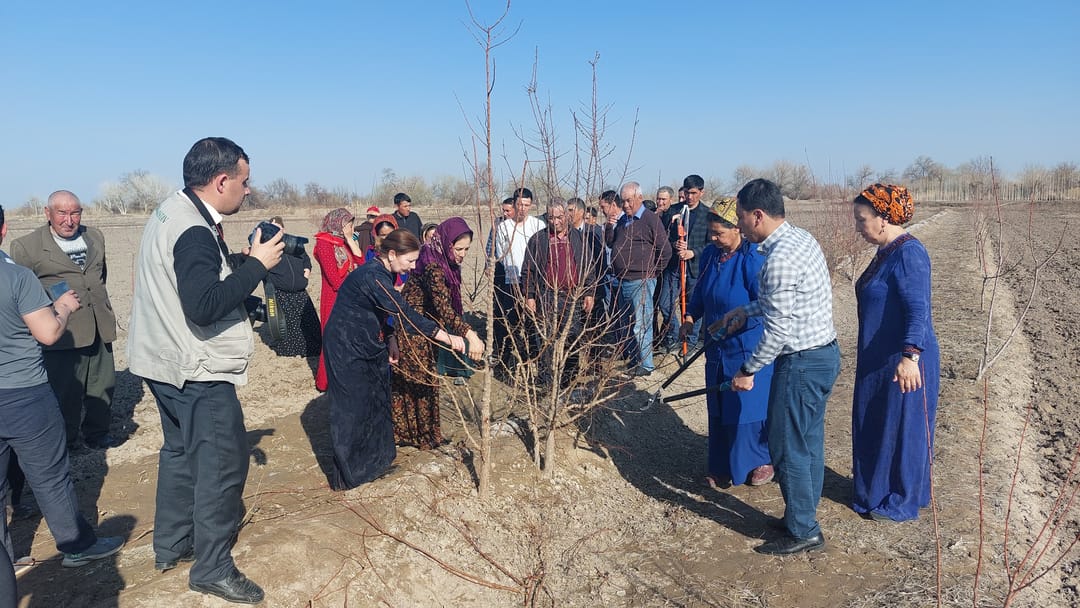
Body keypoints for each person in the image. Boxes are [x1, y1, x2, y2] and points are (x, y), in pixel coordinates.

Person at [128, 137, 281, 603]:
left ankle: (172, 545)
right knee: (220, 466)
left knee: (179, 453)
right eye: (244, 182)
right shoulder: (194, 230)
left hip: (163, 361)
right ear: (221, 181)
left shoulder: (172, 211)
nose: (248, 191)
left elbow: (193, 281)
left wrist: (237, 265)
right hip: (196, 369)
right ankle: (212, 568)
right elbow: (203, 305)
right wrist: (256, 266)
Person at [1, 204, 125, 587]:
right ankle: (77, 547)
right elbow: (48, 333)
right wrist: (63, 308)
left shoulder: (93, 240)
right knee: (51, 477)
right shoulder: (17, 276)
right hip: (23, 394)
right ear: (3, 229)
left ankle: (5, 564)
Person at [720, 178, 839, 556]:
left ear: (757, 215)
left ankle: (804, 530)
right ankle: (801, 515)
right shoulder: (800, 239)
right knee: (808, 442)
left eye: (740, 217)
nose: (738, 225)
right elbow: (784, 301)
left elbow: (777, 331)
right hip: (822, 356)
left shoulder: (779, 260)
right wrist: (746, 309)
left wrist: (748, 370)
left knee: (787, 447)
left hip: (801, 363)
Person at [322, 229, 465, 489]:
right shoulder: (371, 276)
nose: (412, 267)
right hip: (345, 347)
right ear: (391, 254)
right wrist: (446, 337)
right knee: (352, 409)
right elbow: (404, 313)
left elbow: (383, 312)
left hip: (367, 342)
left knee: (376, 401)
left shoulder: (385, 273)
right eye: (409, 261)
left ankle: (376, 464)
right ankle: (349, 477)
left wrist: (390, 338)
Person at [851, 184, 939, 522]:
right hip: (880, 357)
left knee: (904, 427)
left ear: (883, 218)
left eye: (862, 220)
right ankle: (877, 491)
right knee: (880, 423)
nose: (858, 227)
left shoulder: (909, 253)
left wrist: (910, 356)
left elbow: (918, 309)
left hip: (903, 360)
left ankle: (901, 499)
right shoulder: (885, 251)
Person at [10, 190, 119, 450]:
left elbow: (100, 276)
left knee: (103, 384)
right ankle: (66, 440)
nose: (69, 220)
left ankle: (98, 433)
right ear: (47, 213)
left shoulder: (95, 236)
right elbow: (22, 290)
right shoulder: (26, 246)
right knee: (65, 390)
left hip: (99, 325)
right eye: (62, 213)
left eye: (75, 213)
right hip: (62, 331)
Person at [680, 200, 774, 488]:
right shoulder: (711, 255)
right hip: (716, 343)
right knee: (719, 403)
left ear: (737, 229)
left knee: (745, 406)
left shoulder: (752, 258)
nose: (713, 238)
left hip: (746, 344)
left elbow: (767, 304)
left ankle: (759, 461)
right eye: (711, 232)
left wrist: (743, 320)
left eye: (719, 233)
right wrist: (690, 316)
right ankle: (721, 466)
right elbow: (700, 291)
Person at [391, 218, 485, 449]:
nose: (462, 255)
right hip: (413, 329)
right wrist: (470, 335)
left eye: (466, 249)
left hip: (426, 327)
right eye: (458, 249)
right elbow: (444, 307)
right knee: (419, 382)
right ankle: (419, 436)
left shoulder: (441, 258)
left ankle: (421, 434)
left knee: (424, 380)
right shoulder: (433, 266)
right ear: (446, 243)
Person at [521, 200, 604, 387]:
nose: (556, 221)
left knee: (572, 337)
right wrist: (530, 296)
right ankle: (546, 380)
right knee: (545, 338)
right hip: (547, 295)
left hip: (572, 296)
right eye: (551, 218)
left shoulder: (579, 238)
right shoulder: (538, 239)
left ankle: (569, 379)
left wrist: (589, 292)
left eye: (559, 217)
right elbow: (528, 271)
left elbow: (588, 267)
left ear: (567, 215)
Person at [606, 181, 671, 377]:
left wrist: (652, 272)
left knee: (641, 324)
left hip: (641, 279)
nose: (625, 205)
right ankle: (635, 359)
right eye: (623, 201)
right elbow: (611, 242)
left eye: (629, 200)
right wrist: (609, 226)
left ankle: (646, 364)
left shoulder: (650, 219)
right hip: (622, 279)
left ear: (640, 198)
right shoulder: (623, 221)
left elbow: (665, 251)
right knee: (627, 323)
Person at [493, 188, 545, 373]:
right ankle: (506, 361)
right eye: (520, 204)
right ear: (514, 204)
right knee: (511, 324)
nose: (523, 208)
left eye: (527, 205)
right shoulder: (504, 227)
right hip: (512, 283)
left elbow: (542, 255)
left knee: (533, 326)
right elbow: (501, 255)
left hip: (533, 285)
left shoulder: (538, 226)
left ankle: (535, 362)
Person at [313, 208, 365, 392]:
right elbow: (334, 278)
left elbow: (361, 263)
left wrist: (350, 240)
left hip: (349, 297)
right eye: (349, 225)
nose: (352, 228)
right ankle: (325, 381)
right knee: (333, 338)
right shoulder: (324, 243)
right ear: (338, 224)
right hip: (334, 298)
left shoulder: (343, 243)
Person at [658, 175, 710, 353]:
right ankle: (674, 336)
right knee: (665, 303)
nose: (690, 196)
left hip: (695, 269)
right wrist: (674, 244)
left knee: (693, 307)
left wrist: (693, 252)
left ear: (702, 192)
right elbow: (664, 236)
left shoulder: (708, 214)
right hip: (674, 268)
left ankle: (692, 341)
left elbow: (711, 243)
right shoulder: (673, 211)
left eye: (694, 193)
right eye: (687, 192)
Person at [263, 216, 321, 358]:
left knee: (309, 321)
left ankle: (313, 349)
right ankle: (291, 351)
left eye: (278, 228)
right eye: (272, 229)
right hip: (281, 292)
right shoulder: (268, 248)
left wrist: (305, 276)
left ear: (283, 229)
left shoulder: (295, 244)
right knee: (288, 324)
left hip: (300, 290)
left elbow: (306, 261)